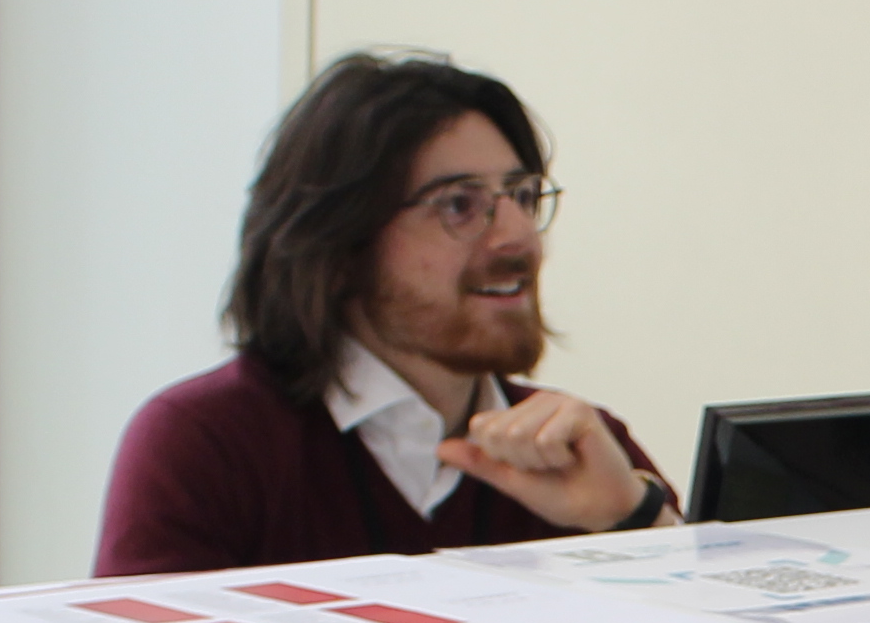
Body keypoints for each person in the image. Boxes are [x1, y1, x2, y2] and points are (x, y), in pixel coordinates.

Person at [96, 52, 678, 574]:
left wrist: (629, 514)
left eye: (523, 197)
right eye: (459, 204)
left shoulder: (585, 451)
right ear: (342, 243)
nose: (520, 237)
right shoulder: (206, 445)